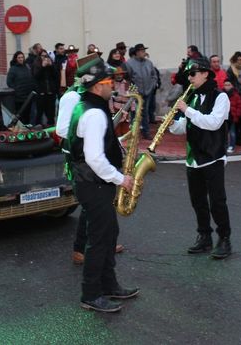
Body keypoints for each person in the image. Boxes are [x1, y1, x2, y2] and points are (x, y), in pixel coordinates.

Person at [66, 57, 138, 313]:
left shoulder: (86, 106)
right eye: (109, 81)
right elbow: (94, 157)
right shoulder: (95, 113)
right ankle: (91, 293)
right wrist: (121, 179)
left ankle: (109, 285)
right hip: (94, 183)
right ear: (97, 86)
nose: (113, 85)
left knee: (109, 234)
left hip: (92, 182)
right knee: (98, 240)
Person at [56, 54, 124, 266]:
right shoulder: (72, 97)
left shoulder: (94, 98)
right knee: (91, 207)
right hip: (83, 162)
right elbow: (62, 129)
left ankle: (105, 241)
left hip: (94, 159)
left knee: (101, 208)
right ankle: (80, 248)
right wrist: (86, 138)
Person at [169, 57, 232, 259]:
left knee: (217, 201)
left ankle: (224, 239)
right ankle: (204, 237)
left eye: (193, 74)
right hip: (193, 157)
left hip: (213, 156)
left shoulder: (220, 97)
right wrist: (171, 122)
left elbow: (213, 123)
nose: (190, 78)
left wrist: (187, 110)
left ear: (205, 73)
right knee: (198, 201)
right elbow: (183, 127)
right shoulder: (193, 98)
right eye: (188, 75)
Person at [124, 43, 156, 140]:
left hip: (147, 92)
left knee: (145, 112)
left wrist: (152, 86)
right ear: (137, 52)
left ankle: (146, 132)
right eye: (142, 51)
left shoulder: (149, 63)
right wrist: (132, 90)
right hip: (135, 93)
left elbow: (154, 76)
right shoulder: (129, 63)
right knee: (134, 113)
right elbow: (127, 78)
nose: (144, 53)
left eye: (144, 51)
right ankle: (133, 133)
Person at [6, 51, 37, 121]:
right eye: (19, 57)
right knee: (20, 116)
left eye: (22, 57)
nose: (21, 59)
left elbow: (31, 79)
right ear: (16, 59)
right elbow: (9, 82)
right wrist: (16, 90)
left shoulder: (27, 67)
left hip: (28, 97)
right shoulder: (13, 69)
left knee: (28, 116)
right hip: (19, 98)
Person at [32, 51, 59, 125]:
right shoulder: (36, 65)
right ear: (39, 57)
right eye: (42, 56)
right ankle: (38, 128)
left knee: (51, 114)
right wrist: (42, 67)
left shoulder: (51, 65)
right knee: (39, 113)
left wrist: (51, 66)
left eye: (46, 56)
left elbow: (56, 76)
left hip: (51, 93)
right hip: (41, 93)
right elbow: (36, 76)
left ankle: (51, 128)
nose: (44, 57)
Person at [223, 79, 241, 154]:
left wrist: (237, 115)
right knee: (223, 133)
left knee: (232, 133)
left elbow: (239, 106)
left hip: (232, 117)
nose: (227, 87)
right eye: (225, 85)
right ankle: (224, 145)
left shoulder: (236, 95)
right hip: (224, 117)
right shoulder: (221, 94)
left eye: (229, 85)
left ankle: (231, 146)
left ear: (232, 86)